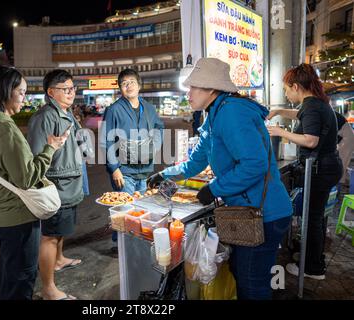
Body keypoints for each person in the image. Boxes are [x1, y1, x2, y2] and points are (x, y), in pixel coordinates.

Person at [147, 58, 292, 300]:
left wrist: (214, 188)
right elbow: (195, 162)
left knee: (251, 284)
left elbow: (254, 164)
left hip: (265, 214)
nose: (189, 94)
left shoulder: (231, 113)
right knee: (242, 272)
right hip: (248, 211)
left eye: (194, 88)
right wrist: (164, 174)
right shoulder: (214, 116)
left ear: (212, 89)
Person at [0, 65, 66, 300]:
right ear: (6, 91)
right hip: (18, 219)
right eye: (21, 92)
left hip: (2, 216)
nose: (25, 98)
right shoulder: (4, 129)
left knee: (9, 277)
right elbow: (27, 178)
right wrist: (50, 149)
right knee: (21, 282)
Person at [267, 63, 343, 280]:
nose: (286, 93)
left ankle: (312, 268)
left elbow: (310, 140)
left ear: (297, 86)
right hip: (328, 166)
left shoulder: (311, 106)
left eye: (286, 89)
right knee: (316, 216)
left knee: (312, 217)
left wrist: (279, 131)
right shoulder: (316, 104)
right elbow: (301, 114)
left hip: (321, 168)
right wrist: (280, 111)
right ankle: (312, 257)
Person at [27, 70, 84, 300]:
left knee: (59, 232)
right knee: (49, 236)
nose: (71, 93)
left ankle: (59, 260)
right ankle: (48, 288)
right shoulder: (45, 117)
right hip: (56, 186)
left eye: (73, 88)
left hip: (69, 183)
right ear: (51, 92)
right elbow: (36, 155)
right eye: (66, 89)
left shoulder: (66, 113)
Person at [100, 68, 164, 248]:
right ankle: (122, 245)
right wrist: (114, 168)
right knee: (125, 210)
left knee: (142, 207)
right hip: (124, 171)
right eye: (124, 83)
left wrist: (155, 145)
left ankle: (137, 243)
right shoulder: (114, 109)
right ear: (120, 88)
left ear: (139, 85)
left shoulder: (149, 109)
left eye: (132, 82)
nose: (128, 86)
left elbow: (159, 127)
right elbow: (107, 140)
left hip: (145, 169)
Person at [335, 111, 354, 185]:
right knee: (342, 162)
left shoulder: (326, 113)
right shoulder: (327, 111)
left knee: (342, 162)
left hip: (347, 137)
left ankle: (338, 185)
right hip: (345, 135)